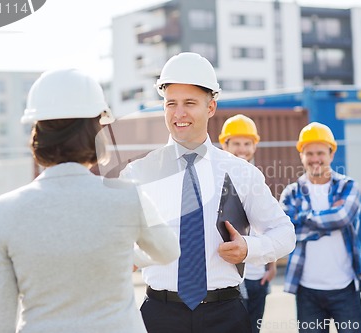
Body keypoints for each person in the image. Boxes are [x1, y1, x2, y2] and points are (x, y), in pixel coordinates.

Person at [0, 68, 180, 333]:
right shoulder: (126, 196)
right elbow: (168, 251)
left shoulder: (5, 210)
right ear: (95, 130)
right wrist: (121, 251)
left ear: (37, 133)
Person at [119, 52, 296, 333]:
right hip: (159, 315)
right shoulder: (138, 173)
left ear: (211, 107)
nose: (179, 113)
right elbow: (117, 242)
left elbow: (284, 234)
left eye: (190, 103)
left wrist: (249, 248)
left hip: (224, 315)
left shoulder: (241, 172)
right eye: (170, 104)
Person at [280, 122, 361, 333]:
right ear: (301, 155)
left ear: (331, 154)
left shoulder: (348, 186)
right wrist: (327, 222)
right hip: (307, 291)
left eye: (320, 153)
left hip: (345, 288)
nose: (315, 159)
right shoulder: (291, 193)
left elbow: (342, 217)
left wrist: (302, 219)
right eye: (309, 153)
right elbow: (286, 232)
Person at [219, 114, 277, 333]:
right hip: (231, 277)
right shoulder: (217, 179)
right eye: (236, 144)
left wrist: (270, 266)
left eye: (247, 144)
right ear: (224, 144)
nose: (242, 149)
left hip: (257, 276)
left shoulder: (257, 178)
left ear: (254, 146)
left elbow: (266, 226)